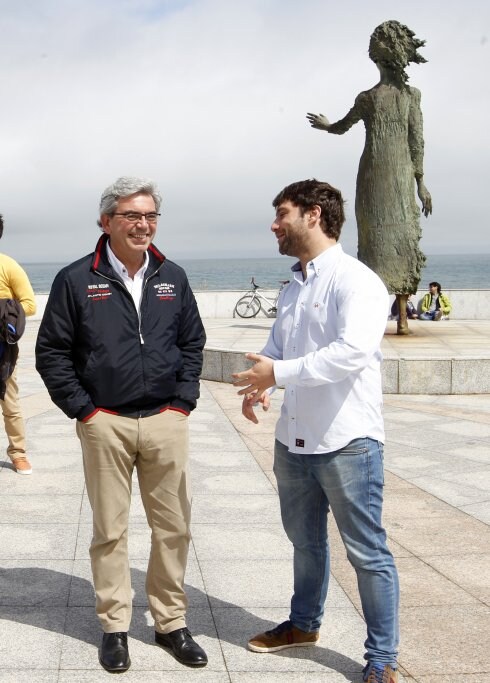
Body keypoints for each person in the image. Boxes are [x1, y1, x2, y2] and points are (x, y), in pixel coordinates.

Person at [35, 177, 207, 673]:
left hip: (165, 420)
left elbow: (192, 343)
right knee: (110, 531)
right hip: (105, 422)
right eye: (132, 215)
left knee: (173, 528)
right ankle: (114, 627)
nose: (143, 225)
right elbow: (52, 352)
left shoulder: (172, 276)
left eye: (151, 216)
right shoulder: (74, 280)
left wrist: (183, 402)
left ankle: (170, 623)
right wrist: (84, 411)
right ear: (106, 221)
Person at [232, 179, 400, 683]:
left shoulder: (357, 281)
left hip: (348, 442)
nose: (274, 224)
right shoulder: (294, 287)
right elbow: (279, 349)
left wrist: (277, 375)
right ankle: (304, 625)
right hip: (294, 440)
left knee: (367, 553)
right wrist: (264, 382)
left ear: (312, 214)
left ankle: (383, 658)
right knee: (305, 543)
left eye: (281, 213)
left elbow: (351, 353)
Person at [306, 20, 431, 304]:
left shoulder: (401, 96)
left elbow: (416, 140)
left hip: (392, 173)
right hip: (376, 175)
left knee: (400, 229)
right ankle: (393, 306)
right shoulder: (373, 98)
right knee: (376, 233)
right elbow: (418, 141)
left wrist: (420, 182)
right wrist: (421, 181)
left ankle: (395, 302)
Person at [0, 214, 36, 475]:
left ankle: (18, 452)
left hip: (2, 348)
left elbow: (30, 305)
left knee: (10, 403)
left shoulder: (8, 266)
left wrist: (4, 311)